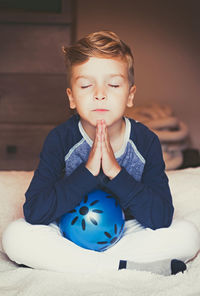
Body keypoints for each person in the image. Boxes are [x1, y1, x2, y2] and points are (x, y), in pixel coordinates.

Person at [2, 31, 200, 276]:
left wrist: (115, 173)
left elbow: (161, 217)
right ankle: (118, 267)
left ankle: (82, 265)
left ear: (130, 95)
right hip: (68, 233)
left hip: (128, 230)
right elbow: (35, 211)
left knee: (187, 235)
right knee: (16, 236)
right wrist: (87, 172)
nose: (99, 93)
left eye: (114, 85)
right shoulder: (60, 139)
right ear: (72, 98)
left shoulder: (146, 141)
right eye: (86, 85)